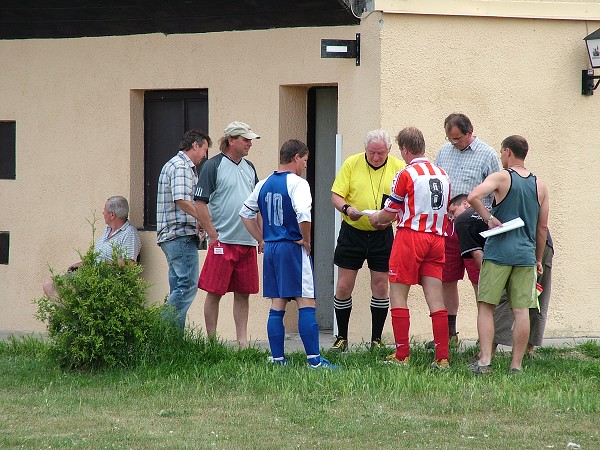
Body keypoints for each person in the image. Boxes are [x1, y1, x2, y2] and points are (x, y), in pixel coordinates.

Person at [239, 139, 337, 369]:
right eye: (304, 160)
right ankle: (314, 360)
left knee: (277, 304)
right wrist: (306, 241)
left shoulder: (263, 183)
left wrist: (261, 239)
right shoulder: (298, 184)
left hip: (271, 249)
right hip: (292, 247)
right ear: (296, 158)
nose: (304, 165)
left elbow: (245, 213)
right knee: (306, 301)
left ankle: (277, 359)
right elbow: (303, 214)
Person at [369, 127, 451, 369]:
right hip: (437, 239)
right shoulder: (442, 173)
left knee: (398, 294)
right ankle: (442, 357)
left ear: (404, 149)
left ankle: (402, 354)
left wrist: (377, 218)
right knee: (436, 298)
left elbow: (391, 210)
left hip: (411, 237)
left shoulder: (406, 174)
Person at [467, 135, 549, 374]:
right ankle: (516, 365)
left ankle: (484, 361)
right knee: (521, 310)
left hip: (498, 253)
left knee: (486, 306)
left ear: (507, 152)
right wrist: (538, 258)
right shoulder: (539, 185)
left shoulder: (502, 177)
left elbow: (473, 196)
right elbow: (542, 228)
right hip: (525, 254)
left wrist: (489, 218)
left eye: (502, 153)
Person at [449, 194, 554, 355]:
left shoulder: (462, 221)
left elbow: (479, 256)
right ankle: (528, 350)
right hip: (542, 241)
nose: (451, 217)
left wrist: (491, 282)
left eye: (452, 211)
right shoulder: (487, 211)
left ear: (465, 204)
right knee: (535, 295)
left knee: (500, 298)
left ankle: (488, 352)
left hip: (521, 244)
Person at [330, 129, 405, 352]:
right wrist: (347, 208)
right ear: (365, 149)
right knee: (344, 284)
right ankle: (341, 337)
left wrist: (389, 218)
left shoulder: (399, 167)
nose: (375, 157)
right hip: (353, 230)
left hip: (382, 233)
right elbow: (336, 194)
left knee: (381, 284)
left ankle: (376, 339)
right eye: (371, 153)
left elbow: (406, 200)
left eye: (380, 153)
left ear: (389, 151)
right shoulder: (352, 163)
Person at [433, 113, 502, 345]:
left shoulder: (488, 154)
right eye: (450, 138)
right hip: (448, 225)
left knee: (478, 279)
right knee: (447, 278)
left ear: (469, 132)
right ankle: (450, 335)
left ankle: (486, 339)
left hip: (474, 227)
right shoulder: (444, 152)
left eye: (457, 139)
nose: (453, 143)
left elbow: (497, 193)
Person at [195, 121, 260, 348]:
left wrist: (261, 237)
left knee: (243, 293)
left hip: (246, 241)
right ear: (231, 140)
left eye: (250, 139)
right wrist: (213, 234)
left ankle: (242, 342)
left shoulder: (250, 167)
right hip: (222, 241)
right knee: (214, 292)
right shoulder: (213, 166)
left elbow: (256, 206)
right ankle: (211, 343)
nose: (250, 143)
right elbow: (200, 204)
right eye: (245, 139)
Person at [157, 129, 211, 329]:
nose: (205, 155)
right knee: (186, 286)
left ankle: (172, 341)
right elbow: (181, 200)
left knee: (178, 288)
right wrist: (204, 220)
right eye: (204, 149)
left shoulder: (175, 165)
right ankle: (158, 332)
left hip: (172, 236)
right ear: (195, 145)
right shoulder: (181, 166)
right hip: (179, 235)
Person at [43, 196, 141, 297]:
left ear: (112, 215)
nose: (103, 213)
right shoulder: (108, 230)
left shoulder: (129, 233)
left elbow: (130, 264)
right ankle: (66, 311)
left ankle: (68, 311)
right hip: (90, 274)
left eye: (104, 211)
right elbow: (98, 256)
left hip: (103, 279)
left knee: (54, 287)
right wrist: (83, 263)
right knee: (49, 285)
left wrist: (101, 266)